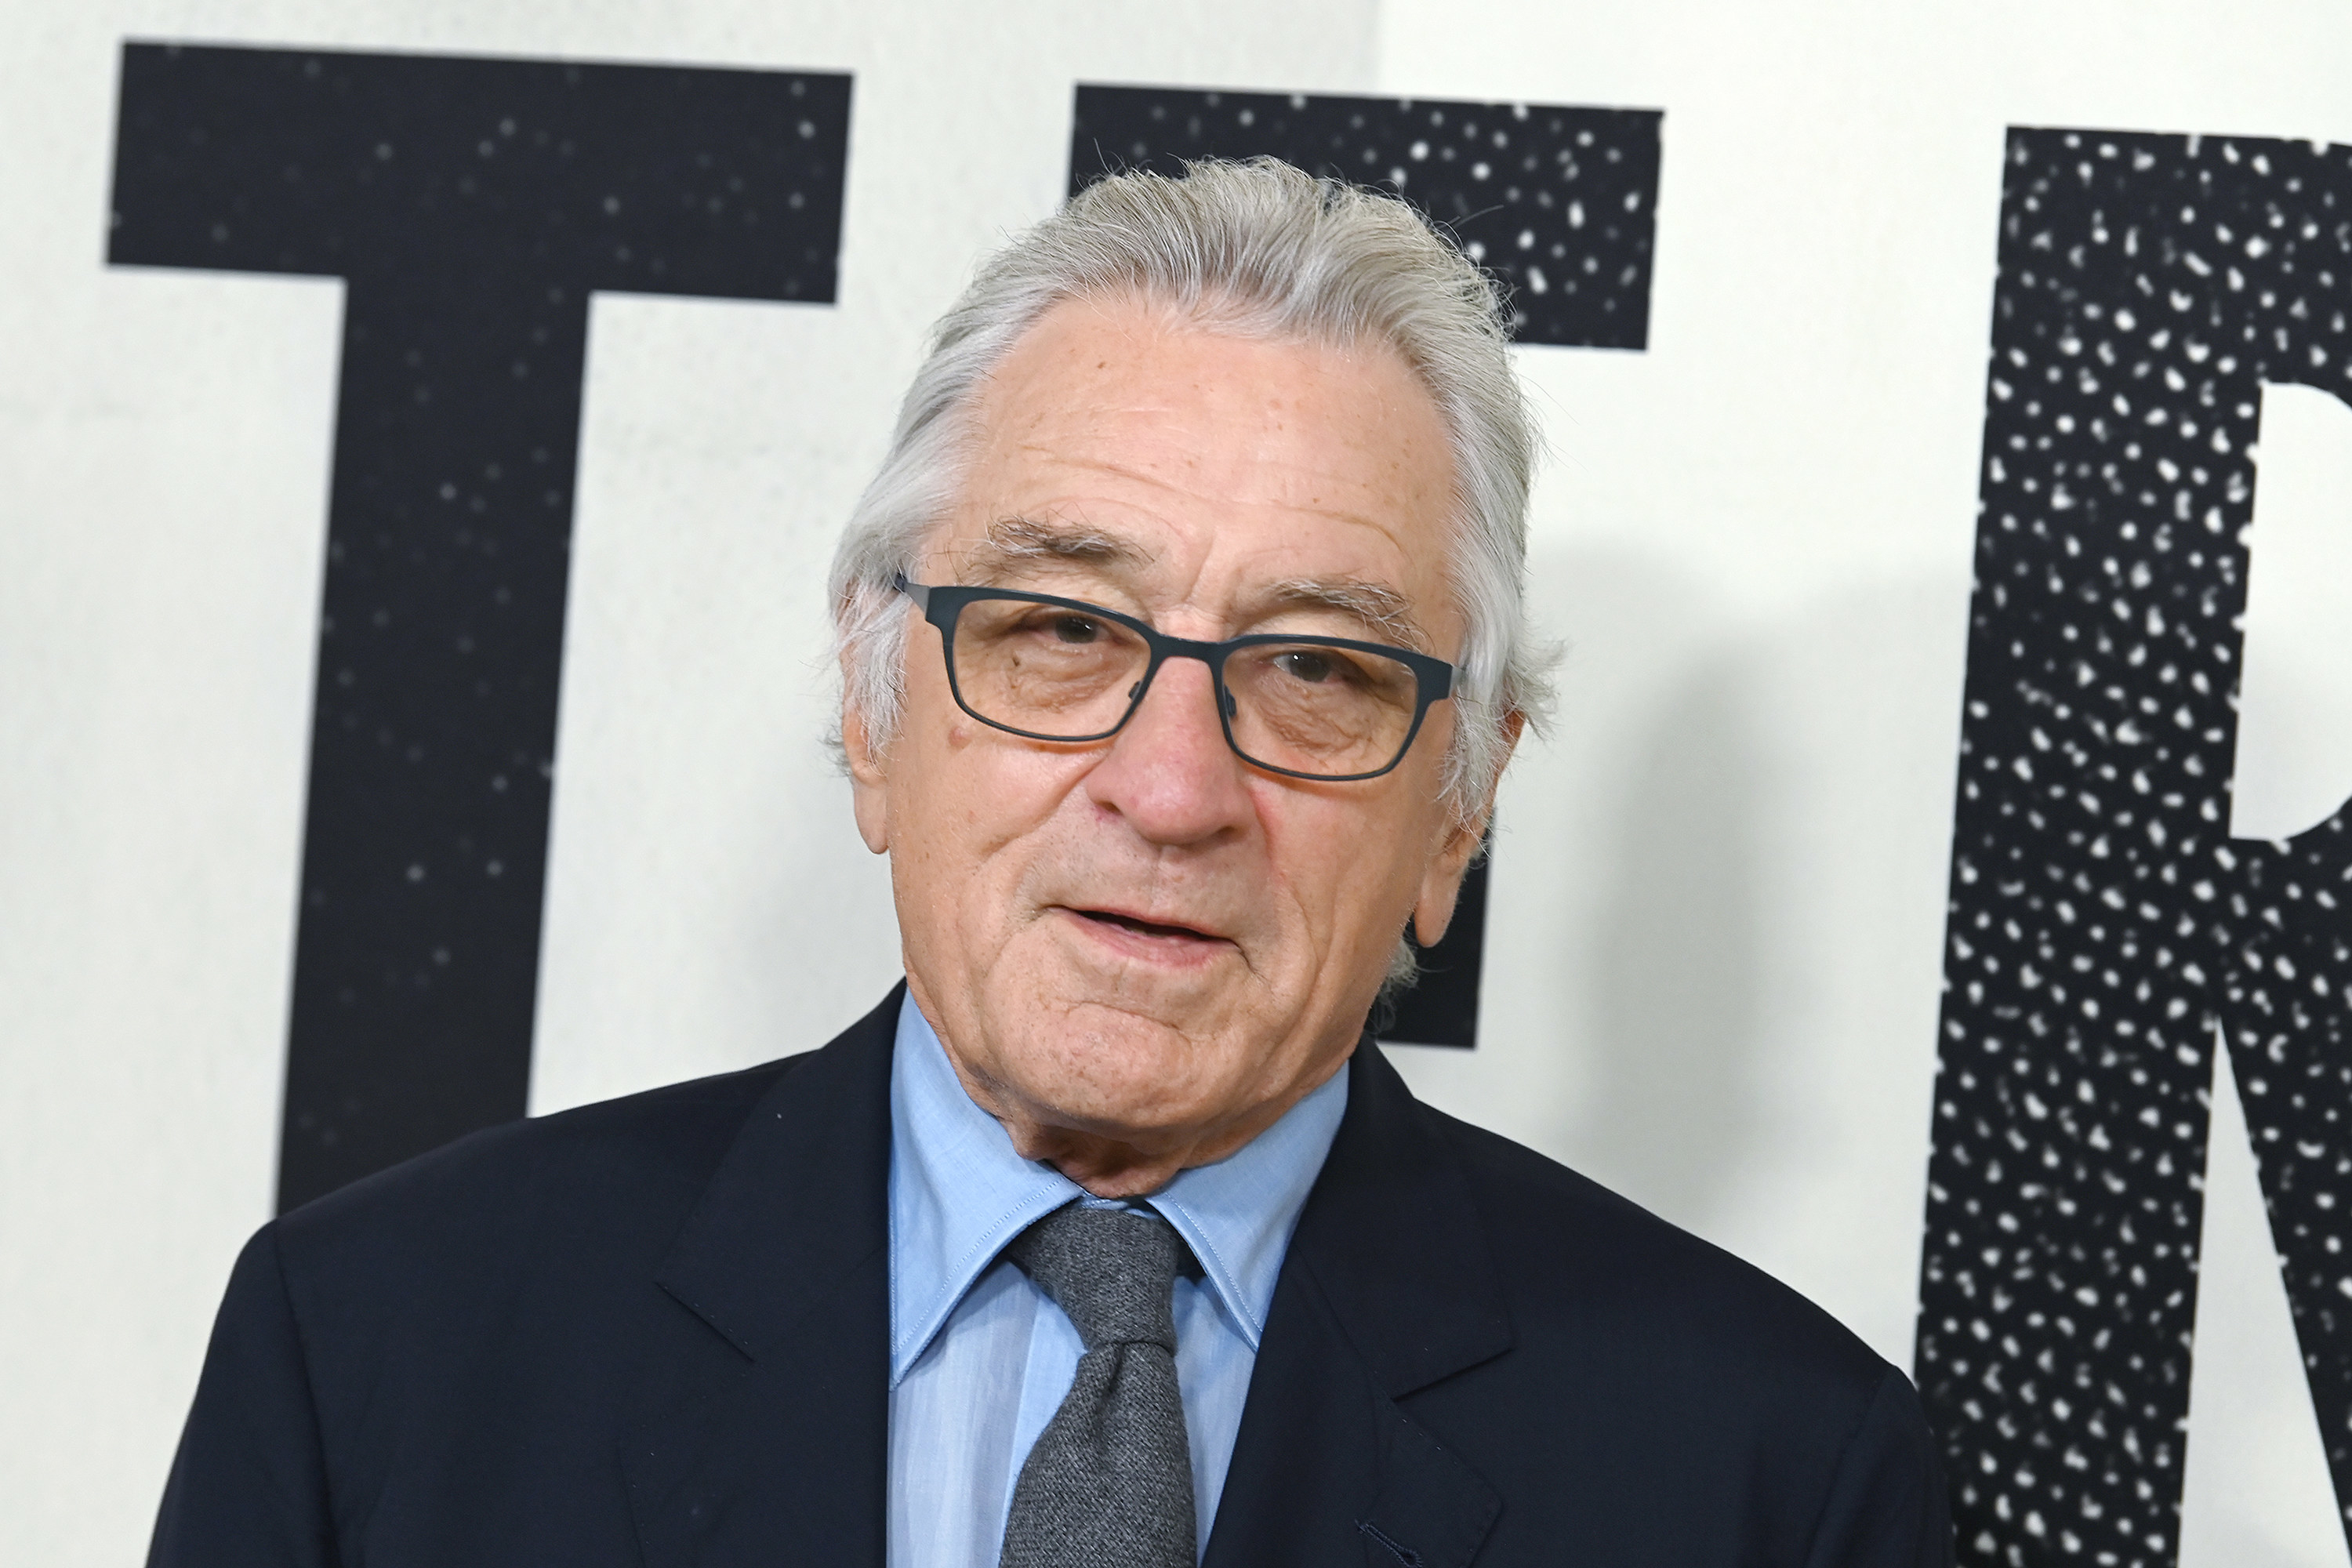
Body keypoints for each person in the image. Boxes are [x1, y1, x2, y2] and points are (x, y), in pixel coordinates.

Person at [150, 158, 1953, 1567]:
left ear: (1460, 810)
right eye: (1060, 631)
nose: (1172, 791)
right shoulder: (385, 1351)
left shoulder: (1770, 1487)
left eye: (1316, 669)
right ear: (875, 710)